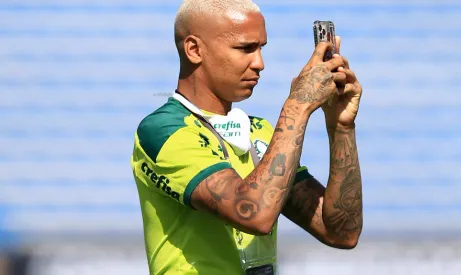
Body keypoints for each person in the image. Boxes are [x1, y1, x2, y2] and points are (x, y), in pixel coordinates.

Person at [130, 0, 364, 274]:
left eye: (261, 48)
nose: (260, 63)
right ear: (194, 49)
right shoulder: (163, 131)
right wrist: (298, 106)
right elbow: (253, 213)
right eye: (245, 48)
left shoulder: (259, 131)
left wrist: (340, 127)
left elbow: (341, 233)